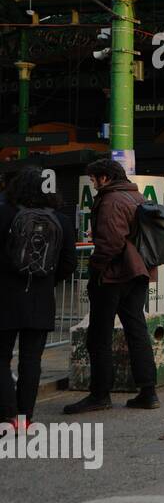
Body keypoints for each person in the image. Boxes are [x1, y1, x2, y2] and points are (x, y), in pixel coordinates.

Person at [64, 157, 160, 414]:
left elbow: (110, 243)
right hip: (138, 273)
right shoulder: (137, 197)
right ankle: (148, 391)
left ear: (105, 177)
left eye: (94, 179)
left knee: (99, 336)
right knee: (137, 330)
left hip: (113, 276)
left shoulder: (110, 200)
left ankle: (99, 394)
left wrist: (96, 267)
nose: (94, 185)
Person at [0, 167, 76, 430]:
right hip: (41, 300)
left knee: (1, 357)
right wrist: (46, 281)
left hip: (5, 296)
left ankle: (7, 415)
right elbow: (69, 264)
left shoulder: (5, 213)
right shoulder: (62, 220)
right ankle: (25, 417)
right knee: (31, 359)